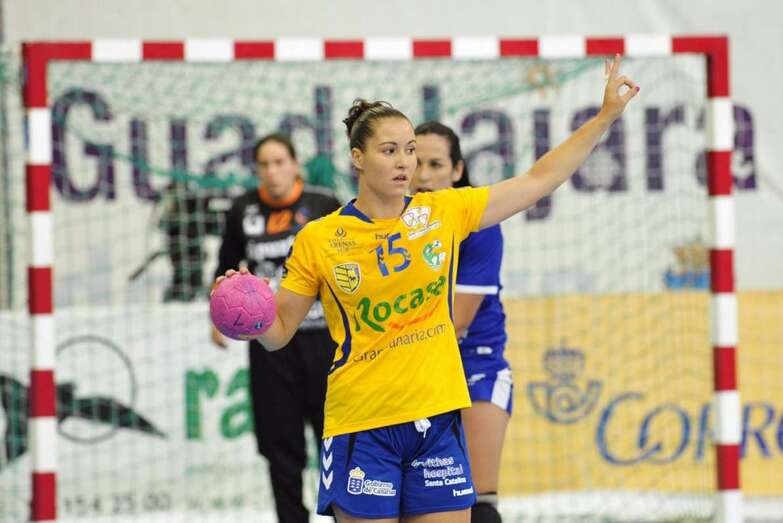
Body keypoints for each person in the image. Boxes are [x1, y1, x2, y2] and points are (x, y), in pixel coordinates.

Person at [216, 56, 637, 522]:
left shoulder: (442, 213)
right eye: (389, 150)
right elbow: (278, 332)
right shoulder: (320, 238)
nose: (404, 163)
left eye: (410, 150)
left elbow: (538, 181)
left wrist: (604, 118)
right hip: (362, 425)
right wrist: (245, 312)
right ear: (358, 158)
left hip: (437, 422)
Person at [211, 133, 341, 523]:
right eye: (264, 164)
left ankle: (344, 516)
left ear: (296, 164)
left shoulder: (324, 205)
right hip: (271, 347)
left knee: (333, 441)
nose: (273, 171)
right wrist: (217, 317)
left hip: (324, 342)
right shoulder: (242, 210)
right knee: (280, 444)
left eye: (280, 162)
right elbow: (225, 267)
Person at [410, 121, 508, 523]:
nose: (425, 175)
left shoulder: (478, 224)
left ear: (457, 170)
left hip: (472, 362)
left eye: (436, 164)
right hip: (412, 366)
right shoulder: (393, 223)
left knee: (478, 505)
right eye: (417, 162)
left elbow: (455, 322)